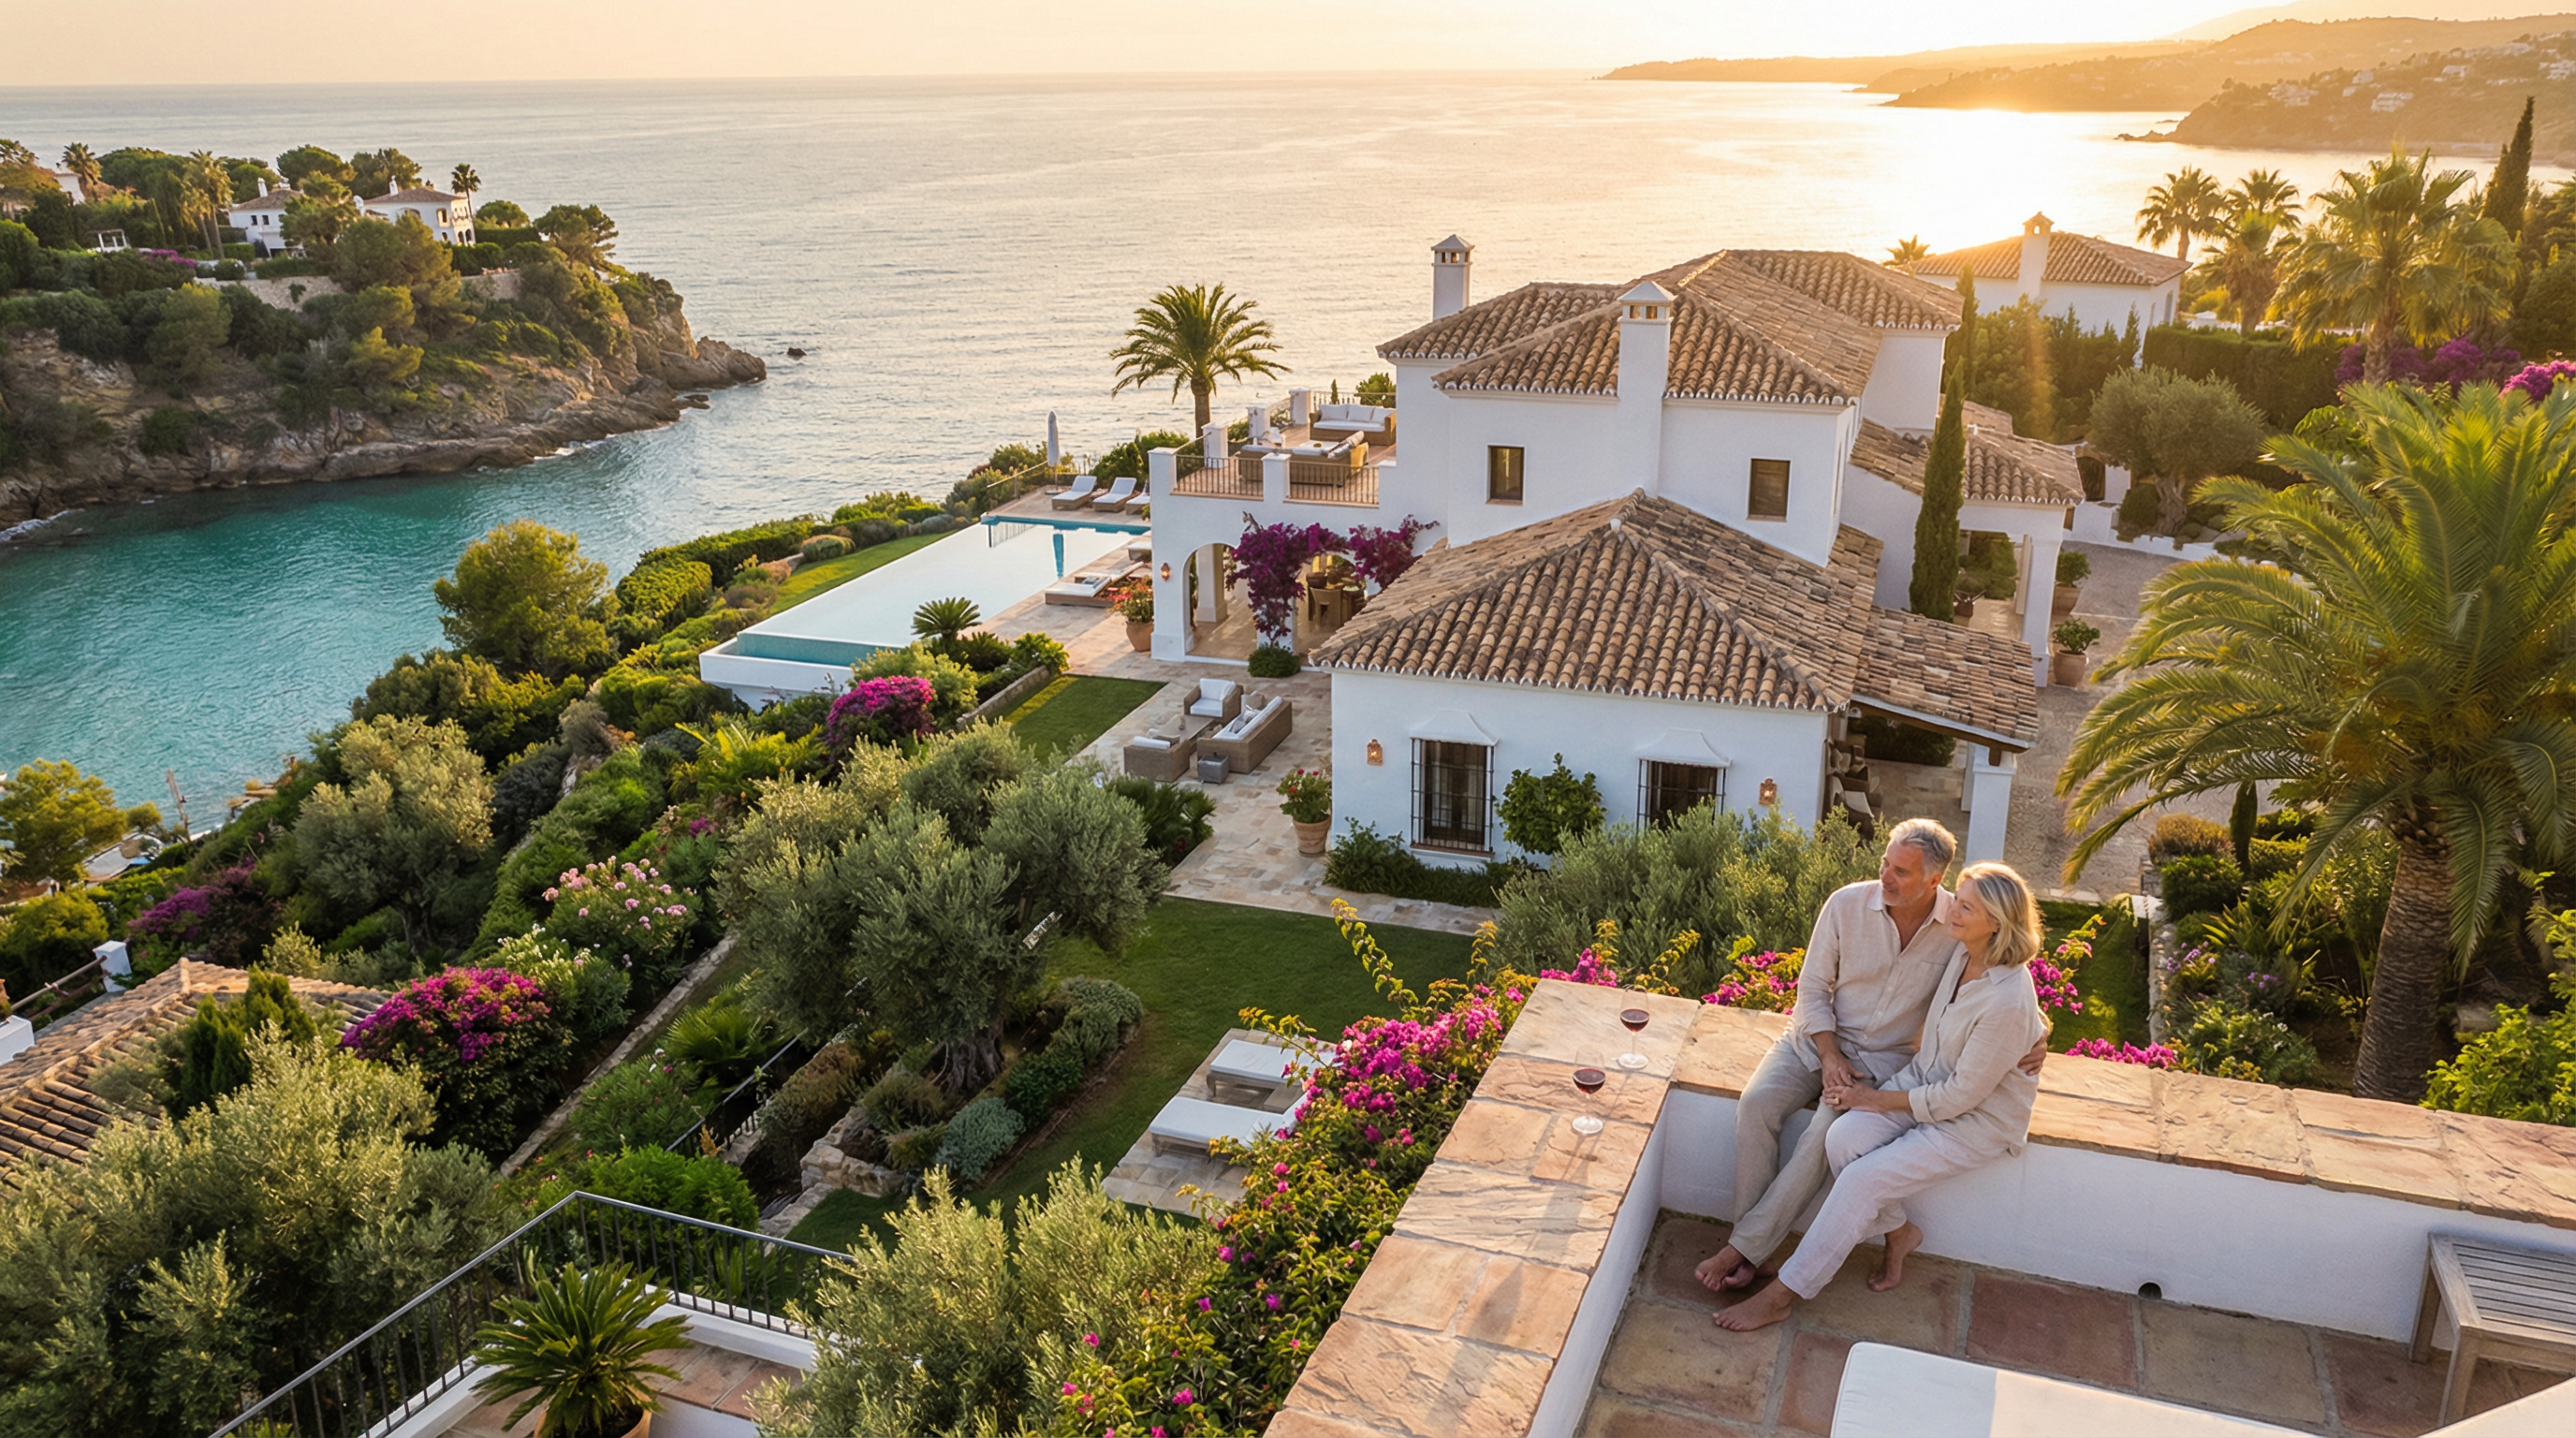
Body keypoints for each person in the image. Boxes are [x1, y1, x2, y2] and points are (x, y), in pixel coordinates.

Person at [1714, 862, 2053, 1331]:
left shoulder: (2006, 998)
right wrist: (2039, 1028)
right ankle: (1899, 1232)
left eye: (1966, 905)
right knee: (1842, 1140)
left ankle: (1782, 1294)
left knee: (1861, 1180)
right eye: (1958, 899)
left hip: (1975, 1121)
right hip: (1921, 1083)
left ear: (1995, 922)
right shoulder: (1963, 948)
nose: (1953, 907)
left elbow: (1959, 1096)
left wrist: (1873, 1100)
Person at [1694, 818, 2004, 1296]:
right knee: (1756, 1105)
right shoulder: (1845, 905)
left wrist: (2039, 1035)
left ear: (1934, 880)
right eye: (1885, 862)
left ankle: (1742, 1252)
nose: (1885, 875)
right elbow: (1813, 987)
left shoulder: (1957, 927)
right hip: (1814, 1039)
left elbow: (2004, 978)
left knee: (1825, 1133)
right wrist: (1829, 1052)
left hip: (1882, 1059)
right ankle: (1753, 1250)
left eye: (1901, 871)